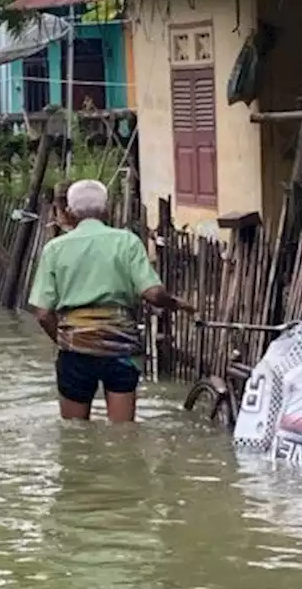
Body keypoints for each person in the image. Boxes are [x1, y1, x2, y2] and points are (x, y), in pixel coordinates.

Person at [27, 179, 189, 422]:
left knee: (75, 434)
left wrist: (64, 341)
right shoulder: (127, 242)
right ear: (106, 210)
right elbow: (154, 294)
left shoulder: (54, 249)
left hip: (75, 349)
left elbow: (42, 314)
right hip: (120, 347)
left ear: (69, 212)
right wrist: (176, 304)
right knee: (123, 434)